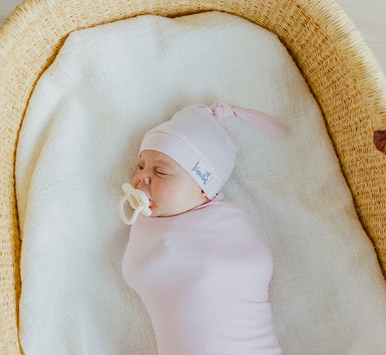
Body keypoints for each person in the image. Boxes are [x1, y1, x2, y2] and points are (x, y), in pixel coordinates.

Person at [121, 102, 287, 354]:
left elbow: (250, 265)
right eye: (141, 166)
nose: (142, 177)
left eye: (161, 171)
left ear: (203, 188)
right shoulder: (147, 225)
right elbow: (141, 273)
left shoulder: (228, 225)